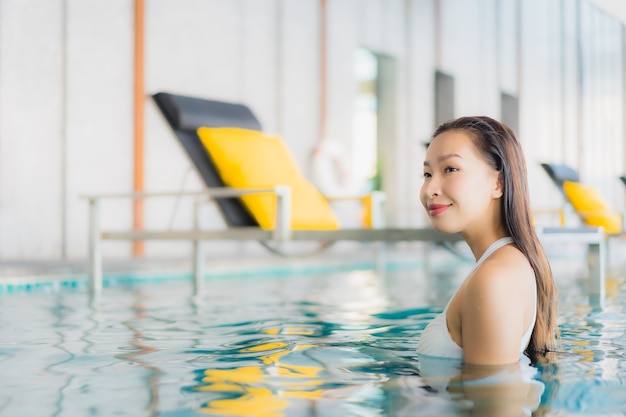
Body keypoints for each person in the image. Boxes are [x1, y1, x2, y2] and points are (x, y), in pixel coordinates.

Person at [416, 116, 558, 366]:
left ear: (498, 183)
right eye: (427, 174)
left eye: (450, 169)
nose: (429, 190)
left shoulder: (495, 278)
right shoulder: (504, 265)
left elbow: (495, 404)